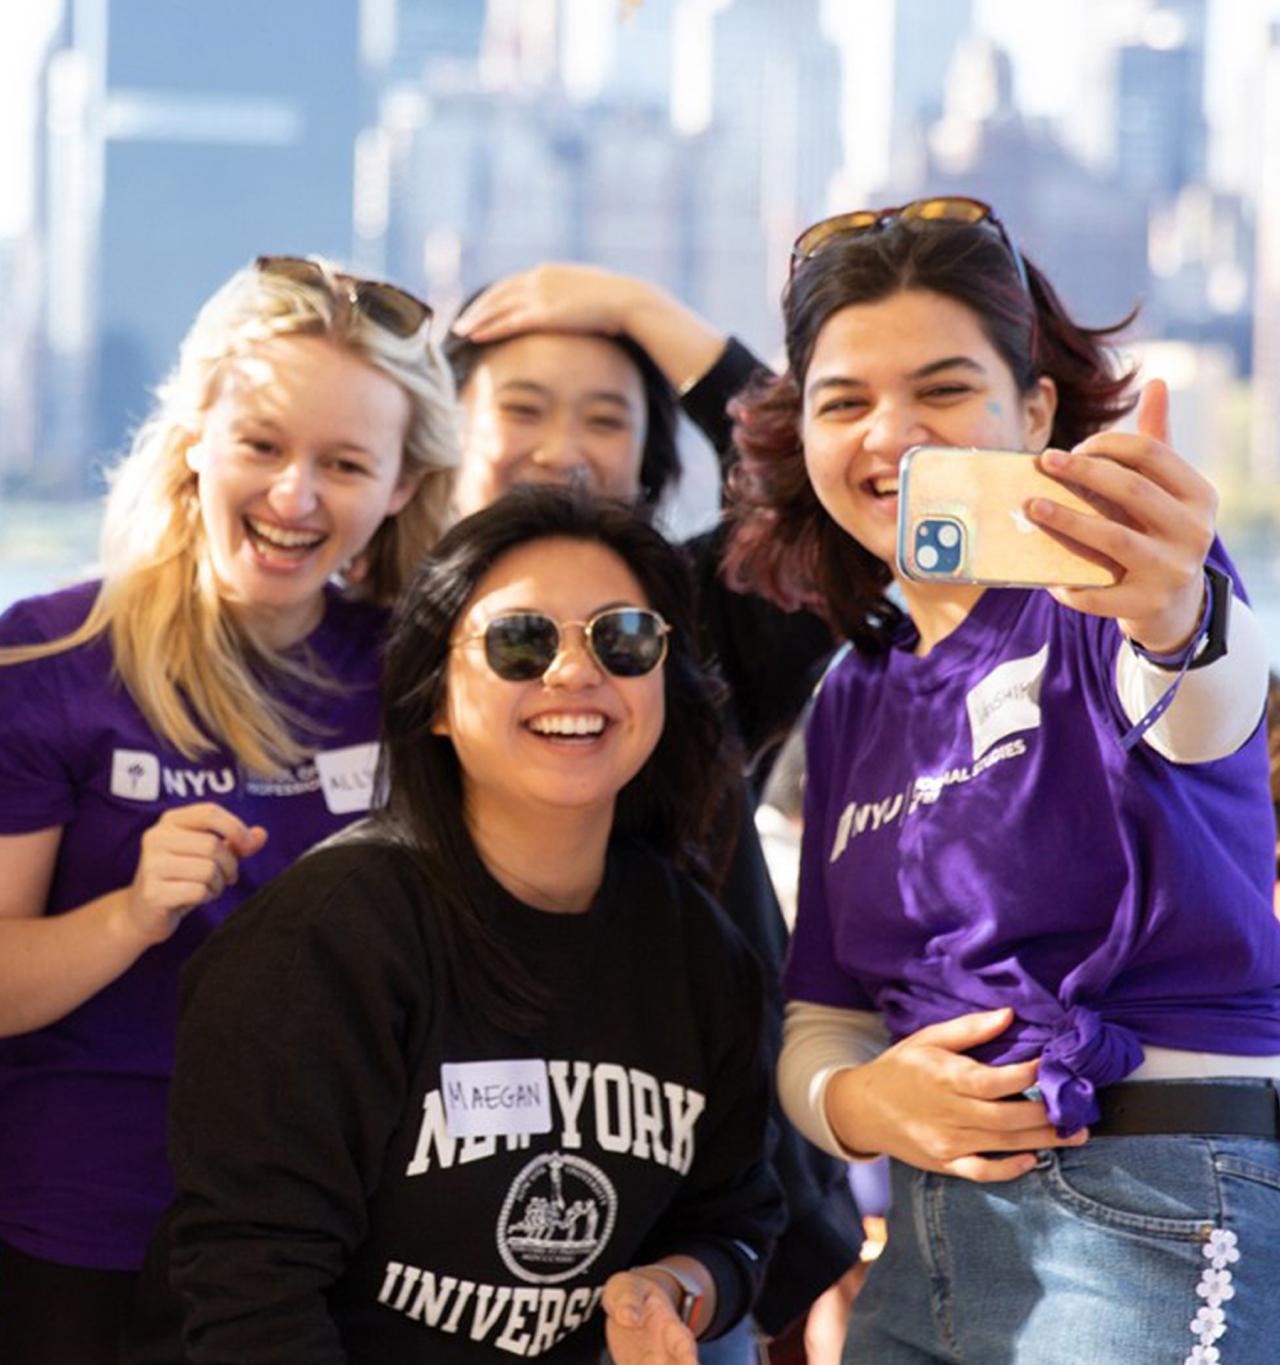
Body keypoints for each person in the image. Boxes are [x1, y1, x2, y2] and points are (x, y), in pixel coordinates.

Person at [724, 196, 1279, 1362]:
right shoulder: (848, 697)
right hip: (926, 1241)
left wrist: (1174, 602)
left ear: (1031, 409)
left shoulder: (1110, 593)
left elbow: (1205, 695)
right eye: (843, 401)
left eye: (940, 388)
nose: (891, 436)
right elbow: (821, 1015)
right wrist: (855, 1106)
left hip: (1151, 1211)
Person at [126, 486, 782, 1364]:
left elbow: (736, 1219)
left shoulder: (699, 953)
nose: (575, 673)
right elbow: (252, 1291)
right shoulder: (324, 943)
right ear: (434, 698)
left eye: (622, 638)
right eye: (521, 641)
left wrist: (671, 1287)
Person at [0, 255, 459, 1364]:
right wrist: (130, 916)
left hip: (329, 1240)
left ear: (400, 486)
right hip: (79, 1237)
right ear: (195, 435)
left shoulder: (418, 676)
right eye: (261, 444)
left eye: (345, 463)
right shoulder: (50, 657)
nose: (295, 497)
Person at [448, 267, 863, 1360]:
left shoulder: (692, 624)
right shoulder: (385, 640)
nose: (562, 444)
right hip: (435, 1225)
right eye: (522, 408)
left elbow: (830, 506)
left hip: (692, 1232)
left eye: (604, 416)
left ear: (649, 456)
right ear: (448, 430)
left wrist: (639, 310)